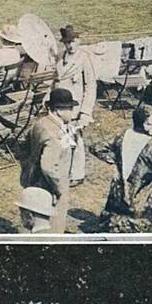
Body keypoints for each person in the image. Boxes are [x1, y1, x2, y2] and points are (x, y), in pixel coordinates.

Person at [97, 103, 152, 232]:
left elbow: (97, 147)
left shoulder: (122, 137)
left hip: (117, 201)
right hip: (143, 207)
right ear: (145, 125)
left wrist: (116, 161)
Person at [20, 86, 78, 232]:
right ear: (58, 110)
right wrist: (59, 188)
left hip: (35, 179)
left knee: (36, 220)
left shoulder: (40, 123)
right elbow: (48, 166)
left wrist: (28, 164)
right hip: (51, 186)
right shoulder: (54, 134)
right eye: (70, 108)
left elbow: (22, 145)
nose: (72, 112)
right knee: (53, 224)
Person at [55, 25, 97, 187]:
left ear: (78, 40)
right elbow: (56, 80)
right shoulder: (61, 57)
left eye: (72, 42)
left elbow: (91, 86)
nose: (70, 45)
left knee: (75, 138)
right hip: (59, 105)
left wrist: (86, 111)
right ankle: (64, 168)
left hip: (75, 108)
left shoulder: (84, 58)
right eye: (67, 43)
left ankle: (77, 173)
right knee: (63, 138)